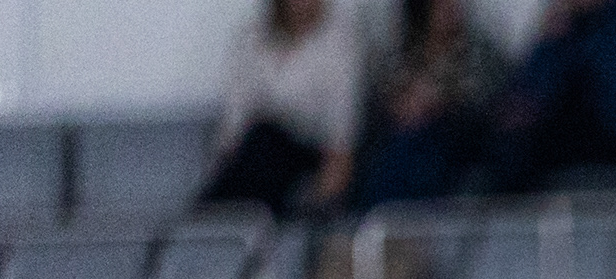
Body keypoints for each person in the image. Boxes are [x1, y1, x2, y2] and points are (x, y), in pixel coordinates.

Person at [488, 0, 616, 194]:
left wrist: (579, 28)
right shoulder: (570, 19)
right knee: (508, 142)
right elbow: (534, 87)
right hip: (576, 127)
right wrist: (552, 38)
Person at [202, 0, 363, 212]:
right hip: (256, 153)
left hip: (308, 154)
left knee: (266, 143)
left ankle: (214, 212)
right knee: (260, 144)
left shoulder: (340, 41)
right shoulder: (252, 38)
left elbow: (342, 128)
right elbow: (235, 120)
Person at [354, 0, 508, 208]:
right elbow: (382, 93)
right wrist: (403, 103)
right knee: (392, 153)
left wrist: (439, 101)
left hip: (452, 141)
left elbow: (489, 99)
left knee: (416, 150)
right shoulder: (406, 51)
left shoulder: (479, 50)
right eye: (440, 5)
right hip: (400, 138)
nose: (450, 9)